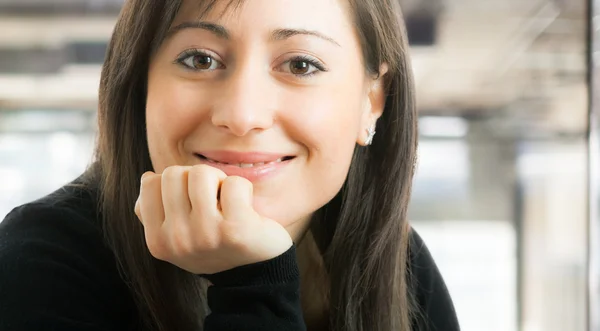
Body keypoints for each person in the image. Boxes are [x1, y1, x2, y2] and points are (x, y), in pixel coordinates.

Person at [0, 0, 460, 330]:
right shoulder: (44, 260)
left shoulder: (398, 263)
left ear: (371, 101)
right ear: (140, 84)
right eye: (199, 59)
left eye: (300, 65)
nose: (241, 115)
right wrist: (255, 282)